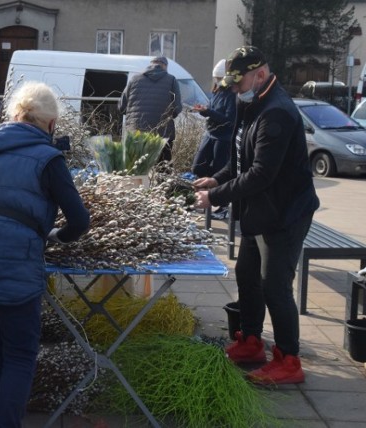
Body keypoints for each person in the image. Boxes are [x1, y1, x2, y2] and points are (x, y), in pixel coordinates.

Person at [0, 81, 90, 428]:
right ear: (51, 123)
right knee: (19, 354)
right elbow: (80, 220)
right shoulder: (49, 159)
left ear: (15, 115)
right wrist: (57, 236)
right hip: (14, 261)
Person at [193, 46, 320, 385]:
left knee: (275, 286)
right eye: (231, 83)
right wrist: (218, 177)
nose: (234, 89)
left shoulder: (277, 112)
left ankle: (289, 360)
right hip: (259, 209)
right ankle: (251, 342)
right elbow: (240, 155)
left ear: (260, 75)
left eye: (239, 82)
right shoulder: (249, 101)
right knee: (247, 275)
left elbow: (262, 173)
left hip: (285, 213)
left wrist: (214, 196)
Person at [191, 58, 237, 219]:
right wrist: (204, 111)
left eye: (219, 78)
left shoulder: (231, 95)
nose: (217, 81)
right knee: (198, 167)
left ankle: (223, 206)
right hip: (211, 134)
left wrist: (209, 112)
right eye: (216, 79)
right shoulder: (217, 92)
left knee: (220, 172)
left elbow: (229, 120)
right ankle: (203, 198)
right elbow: (212, 111)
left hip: (223, 138)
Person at [118, 55, 182, 162]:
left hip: (136, 132)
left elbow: (122, 106)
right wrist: (171, 115)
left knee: (137, 167)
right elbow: (177, 107)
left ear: (151, 64)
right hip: (163, 133)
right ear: (165, 66)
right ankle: (161, 179)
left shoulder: (134, 79)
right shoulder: (171, 80)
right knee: (162, 167)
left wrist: (132, 117)